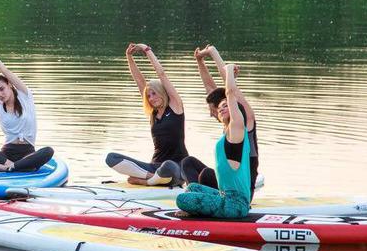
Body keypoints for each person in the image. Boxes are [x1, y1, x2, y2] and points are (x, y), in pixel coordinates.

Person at [175, 63, 251, 219]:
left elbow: (230, 93)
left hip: (235, 204)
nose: (221, 109)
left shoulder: (237, 128)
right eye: (220, 107)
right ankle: (197, 211)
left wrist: (228, 69)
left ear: (236, 112)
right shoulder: (226, 132)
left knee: (181, 199)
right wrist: (230, 77)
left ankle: (196, 213)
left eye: (226, 106)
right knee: (192, 188)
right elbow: (217, 93)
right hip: (225, 197)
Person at [0, 42, 54, 172]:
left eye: (2, 89)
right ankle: (13, 166)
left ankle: (8, 168)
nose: (0, 94)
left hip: (28, 153)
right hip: (5, 155)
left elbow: (3, 70)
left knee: (48, 151)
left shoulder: (25, 96)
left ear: (9, 85)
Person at [105, 43, 186, 185]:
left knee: (167, 166)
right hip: (154, 167)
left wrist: (147, 50)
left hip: (175, 167)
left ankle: (147, 180)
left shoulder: (175, 106)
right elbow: (139, 80)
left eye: (154, 93)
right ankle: (151, 178)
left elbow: (161, 73)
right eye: (148, 96)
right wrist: (129, 57)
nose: (151, 98)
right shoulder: (153, 113)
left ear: (162, 92)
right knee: (111, 158)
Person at [183, 45, 260, 194]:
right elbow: (209, 86)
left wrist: (212, 52)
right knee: (188, 162)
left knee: (205, 175)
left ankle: (201, 197)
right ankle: (197, 195)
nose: (212, 114)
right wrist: (200, 60)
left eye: (213, 110)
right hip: (227, 183)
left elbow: (230, 87)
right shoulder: (226, 119)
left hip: (241, 188)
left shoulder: (245, 120)